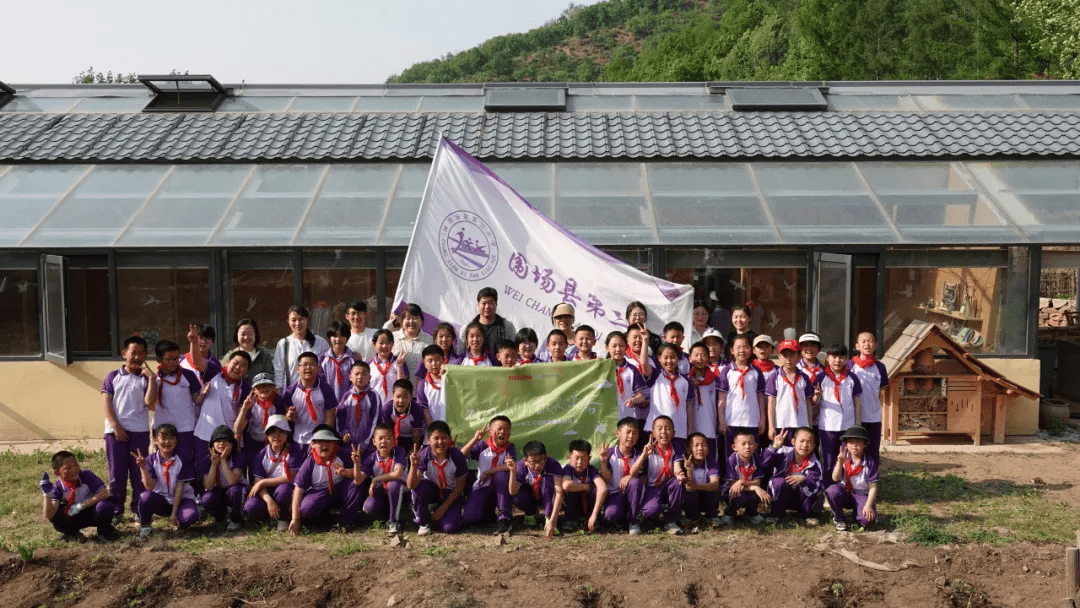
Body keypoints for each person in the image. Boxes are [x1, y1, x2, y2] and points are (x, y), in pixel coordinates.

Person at [102, 335, 158, 520]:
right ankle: (116, 510)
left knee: (138, 472)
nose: (137, 357)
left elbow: (150, 403)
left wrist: (152, 379)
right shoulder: (113, 376)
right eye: (134, 353)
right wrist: (116, 427)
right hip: (115, 432)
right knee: (117, 473)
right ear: (124, 353)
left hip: (139, 431)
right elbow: (106, 403)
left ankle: (138, 508)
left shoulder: (146, 378)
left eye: (142, 353)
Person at [288, 424, 363, 533]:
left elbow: (359, 476)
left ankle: (346, 521)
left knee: (354, 486)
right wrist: (295, 519)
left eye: (329, 441)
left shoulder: (342, 455)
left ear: (334, 443)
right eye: (320, 441)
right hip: (318, 492)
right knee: (307, 508)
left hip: (339, 489)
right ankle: (324, 519)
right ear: (313, 444)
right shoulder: (310, 462)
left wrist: (347, 472)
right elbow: (298, 489)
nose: (325, 445)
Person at [193, 351, 251, 481]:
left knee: (227, 476)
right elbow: (197, 361)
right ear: (228, 362)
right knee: (203, 474)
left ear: (247, 370)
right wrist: (194, 342)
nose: (238, 367)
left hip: (228, 439)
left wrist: (236, 439)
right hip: (205, 434)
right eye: (235, 363)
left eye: (243, 365)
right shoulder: (214, 372)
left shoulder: (246, 389)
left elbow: (242, 421)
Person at [135, 423, 200, 539]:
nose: (167, 442)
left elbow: (180, 487)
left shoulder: (184, 459)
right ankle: (145, 527)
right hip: (161, 500)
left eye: (171, 438)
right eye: (163, 438)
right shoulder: (150, 460)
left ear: (176, 440)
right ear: (155, 440)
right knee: (145, 497)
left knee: (190, 517)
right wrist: (143, 468)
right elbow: (150, 486)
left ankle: (180, 519)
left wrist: (174, 514)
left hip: (182, 499)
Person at [243, 415, 304, 532]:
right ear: (267, 435)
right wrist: (269, 500)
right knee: (250, 507)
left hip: (284, 489)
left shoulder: (294, 451)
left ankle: (283, 518)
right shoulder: (261, 454)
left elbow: (289, 477)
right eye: (272, 433)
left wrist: (263, 482)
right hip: (266, 490)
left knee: (284, 490)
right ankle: (268, 517)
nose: (277, 436)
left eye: (281, 432)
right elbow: (257, 481)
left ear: (287, 434)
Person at [40, 450, 117, 541]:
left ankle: (104, 531)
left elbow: (104, 493)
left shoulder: (86, 476)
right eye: (68, 468)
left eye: (76, 465)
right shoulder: (58, 487)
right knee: (57, 513)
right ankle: (72, 534)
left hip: (93, 512)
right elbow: (50, 514)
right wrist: (47, 494)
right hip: (74, 517)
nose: (74, 469)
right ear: (57, 473)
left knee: (105, 506)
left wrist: (81, 505)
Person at [813, 344, 863, 485]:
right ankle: (828, 488)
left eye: (841, 357)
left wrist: (858, 425)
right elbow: (814, 403)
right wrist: (817, 396)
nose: (837, 360)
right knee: (828, 459)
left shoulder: (852, 378)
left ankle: (847, 486)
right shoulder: (821, 377)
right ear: (827, 358)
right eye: (834, 357)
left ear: (846, 359)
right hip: (828, 426)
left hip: (848, 427)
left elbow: (857, 402)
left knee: (847, 457)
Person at [408, 420, 468, 535]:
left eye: (444, 438)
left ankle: (446, 512)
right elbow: (411, 485)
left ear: (449, 439)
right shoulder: (425, 455)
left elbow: (460, 486)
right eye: (436, 438)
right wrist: (413, 466)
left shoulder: (456, 456)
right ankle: (423, 522)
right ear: (428, 440)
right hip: (433, 490)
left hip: (451, 494)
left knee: (449, 528)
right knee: (420, 488)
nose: (440, 442)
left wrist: (443, 508)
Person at [461, 416, 517, 534]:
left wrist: (488, 471)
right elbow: (460, 456)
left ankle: (504, 519)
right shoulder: (482, 446)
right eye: (499, 428)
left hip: (500, 488)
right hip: (483, 486)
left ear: (509, 434)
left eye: (506, 430)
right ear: (490, 432)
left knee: (501, 475)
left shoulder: (510, 448)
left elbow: (510, 466)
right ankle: (488, 513)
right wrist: (475, 440)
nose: (502, 432)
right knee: (469, 518)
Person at [153, 338, 202, 471]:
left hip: (185, 427)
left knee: (185, 462)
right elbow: (150, 403)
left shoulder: (188, 375)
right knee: (163, 463)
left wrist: (203, 395)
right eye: (169, 359)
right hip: (162, 427)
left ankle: (187, 485)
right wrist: (151, 380)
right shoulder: (154, 378)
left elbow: (196, 399)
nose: (174, 362)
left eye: (176, 358)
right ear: (158, 359)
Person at [632, 416, 683, 535]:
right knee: (651, 511)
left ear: (674, 433)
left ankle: (671, 520)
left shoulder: (676, 447)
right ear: (653, 433)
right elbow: (633, 472)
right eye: (659, 429)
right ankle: (651, 514)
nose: (664, 432)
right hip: (652, 487)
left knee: (677, 482)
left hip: (668, 485)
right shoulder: (648, 449)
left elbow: (677, 466)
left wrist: (679, 474)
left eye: (667, 428)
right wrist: (644, 455)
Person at [717, 334, 767, 451]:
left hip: (752, 421)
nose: (742, 351)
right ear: (732, 350)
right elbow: (722, 398)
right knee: (732, 455)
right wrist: (722, 420)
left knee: (752, 453)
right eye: (738, 347)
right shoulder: (727, 371)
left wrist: (762, 419)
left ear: (751, 350)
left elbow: (760, 397)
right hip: (732, 421)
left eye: (745, 347)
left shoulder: (756, 371)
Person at [763, 428, 823, 525]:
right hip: (783, 494)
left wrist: (804, 479)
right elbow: (765, 462)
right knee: (778, 482)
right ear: (793, 441)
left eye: (809, 442)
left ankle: (807, 515)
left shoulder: (815, 464)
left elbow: (816, 485)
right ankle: (776, 514)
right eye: (801, 441)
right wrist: (775, 447)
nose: (805, 445)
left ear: (813, 446)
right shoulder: (784, 453)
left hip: (802, 498)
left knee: (809, 486)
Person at [281, 351, 337, 453]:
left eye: (312, 364)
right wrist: (290, 416)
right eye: (304, 365)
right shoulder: (291, 391)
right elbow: (287, 418)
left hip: (319, 441)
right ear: (297, 369)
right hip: (298, 440)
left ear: (318, 368)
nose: (308, 368)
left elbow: (330, 419)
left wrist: (321, 440)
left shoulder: (326, 389)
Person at [825, 425, 878, 531]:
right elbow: (835, 478)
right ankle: (839, 518)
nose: (854, 445)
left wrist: (868, 505)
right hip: (845, 492)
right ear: (846, 444)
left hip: (861, 494)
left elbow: (873, 487)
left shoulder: (869, 462)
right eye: (851, 442)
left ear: (864, 444)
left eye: (858, 442)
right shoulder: (844, 458)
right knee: (832, 491)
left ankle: (857, 514)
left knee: (866, 520)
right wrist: (840, 463)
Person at [234, 372, 289, 475]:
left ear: (273, 387)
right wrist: (244, 409)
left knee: (275, 470)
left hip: (275, 441)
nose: (264, 389)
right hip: (254, 440)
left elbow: (286, 423)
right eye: (259, 386)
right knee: (254, 469)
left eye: (267, 385)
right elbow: (237, 429)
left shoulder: (279, 401)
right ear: (254, 390)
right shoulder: (251, 403)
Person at [508, 440, 565, 539]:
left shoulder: (553, 465)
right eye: (533, 462)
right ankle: (531, 513)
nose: (537, 465)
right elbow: (512, 492)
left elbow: (559, 492)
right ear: (525, 461)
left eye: (541, 460)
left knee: (547, 480)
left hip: (547, 496)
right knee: (517, 496)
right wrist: (513, 471)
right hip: (531, 497)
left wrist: (552, 521)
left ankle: (548, 517)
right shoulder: (520, 467)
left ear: (546, 457)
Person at [359, 424, 409, 535]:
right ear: (374, 441)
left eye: (387, 438)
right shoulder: (371, 457)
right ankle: (387, 515)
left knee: (393, 485)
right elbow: (358, 480)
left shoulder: (399, 452)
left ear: (394, 440)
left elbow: (397, 474)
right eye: (380, 438)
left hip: (400, 489)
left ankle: (394, 522)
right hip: (381, 491)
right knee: (368, 507)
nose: (384, 442)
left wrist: (375, 479)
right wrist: (356, 464)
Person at [597, 417, 644, 529]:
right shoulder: (609, 453)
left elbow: (643, 477)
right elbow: (606, 480)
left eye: (635, 433)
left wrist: (630, 476)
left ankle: (634, 520)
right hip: (615, 493)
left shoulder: (640, 454)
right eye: (628, 432)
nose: (631, 436)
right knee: (611, 515)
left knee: (635, 482)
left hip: (634, 494)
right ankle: (622, 516)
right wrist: (603, 462)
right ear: (617, 433)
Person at [645, 343, 692, 454]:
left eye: (673, 357)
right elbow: (643, 364)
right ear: (659, 358)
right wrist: (646, 340)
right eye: (665, 358)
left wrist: (690, 430)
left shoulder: (685, 380)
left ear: (678, 358)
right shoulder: (655, 375)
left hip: (679, 429)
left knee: (677, 458)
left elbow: (689, 406)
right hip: (658, 431)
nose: (669, 361)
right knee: (656, 458)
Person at [198, 425, 247, 531]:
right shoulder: (206, 460)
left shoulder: (238, 457)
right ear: (212, 445)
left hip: (236, 492)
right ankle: (220, 517)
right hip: (219, 491)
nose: (221, 443)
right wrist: (214, 464)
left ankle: (236, 519)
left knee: (234, 490)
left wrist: (223, 460)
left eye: (225, 440)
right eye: (218, 441)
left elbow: (232, 481)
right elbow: (209, 486)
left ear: (232, 444)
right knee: (207, 498)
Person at [848, 332, 888, 459]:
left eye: (870, 341)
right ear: (857, 346)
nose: (867, 344)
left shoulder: (880, 367)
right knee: (854, 450)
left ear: (875, 345)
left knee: (873, 450)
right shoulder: (849, 366)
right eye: (863, 341)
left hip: (874, 417)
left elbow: (882, 390)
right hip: (853, 417)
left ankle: (872, 471)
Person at [767, 340, 815, 445]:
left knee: (800, 451)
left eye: (792, 355)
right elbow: (771, 403)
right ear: (779, 356)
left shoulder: (804, 377)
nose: (788, 359)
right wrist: (771, 426)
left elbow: (808, 403)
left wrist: (810, 425)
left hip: (801, 424)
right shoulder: (774, 377)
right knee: (782, 451)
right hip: (781, 424)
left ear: (799, 356)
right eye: (785, 356)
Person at [273, 306, 330, 393]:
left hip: (316, 394)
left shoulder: (320, 342)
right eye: (293, 320)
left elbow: (328, 368)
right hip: (291, 395)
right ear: (288, 322)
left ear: (307, 320)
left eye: (301, 319)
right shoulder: (283, 344)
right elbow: (278, 372)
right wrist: (278, 393)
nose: (297, 323)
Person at [719, 429, 770, 526]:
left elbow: (757, 482)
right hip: (731, 491)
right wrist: (752, 486)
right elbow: (733, 485)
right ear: (734, 447)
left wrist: (743, 483)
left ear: (755, 446)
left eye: (750, 444)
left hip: (747, 489)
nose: (747, 447)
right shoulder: (732, 460)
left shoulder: (757, 459)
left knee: (754, 495)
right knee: (738, 495)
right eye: (743, 444)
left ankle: (751, 513)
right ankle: (730, 513)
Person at [561, 439, 607, 533]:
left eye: (583, 458)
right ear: (569, 457)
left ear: (589, 459)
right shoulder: (568, 469)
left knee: (596, 491)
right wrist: (586, 487)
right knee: (572, 489)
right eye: (576, 458)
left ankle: (594, 519)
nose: (579, 462)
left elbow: (603, 488)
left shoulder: (591, 470)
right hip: (574, 504)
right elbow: (566, 485)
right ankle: (571, 520)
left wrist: (594, 514)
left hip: (590, 506)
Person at [675, 432, 721, 527]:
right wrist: (689, 471)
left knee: (712, 491)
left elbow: (715, 484)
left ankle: (711, 516)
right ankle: (692, 517)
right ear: (688, 449)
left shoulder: (711, 462)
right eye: (696, 445)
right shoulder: (683, 463)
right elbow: (688, 487)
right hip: (690, 499)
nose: (700, 449)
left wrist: (696, 486)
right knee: (690, 493)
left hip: (705, 497)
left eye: (704, 445)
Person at [336, 361, 381, 452]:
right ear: (350, 377)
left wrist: (364, 444)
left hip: (368, 447)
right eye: (356, 374)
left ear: (369, 378)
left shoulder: (373, 396)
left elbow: (375, 421)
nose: (360, 377)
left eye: (363, 374)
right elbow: (339, 417)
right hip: (348, 445)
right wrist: (344, 433)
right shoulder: (347, 396)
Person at [606, 331, 648, 428]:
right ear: (607, 348)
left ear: (626, 347)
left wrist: (634, 400)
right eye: (614, 346)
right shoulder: (602, 369)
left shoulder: (632, 369)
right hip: (607, 419)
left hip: (627, 418)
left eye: (621, 346)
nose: (618, 349)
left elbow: (641, 396)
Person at [461, 287, 517, 358]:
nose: (487, 307)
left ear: (496, 304)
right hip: (474, 364)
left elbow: (513, 353)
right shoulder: (467, 329)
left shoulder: (507, 327)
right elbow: (460, 355)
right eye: (483, 303)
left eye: (490, 303)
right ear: (478, 305)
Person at [687, 342, 720, 458]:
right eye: (696, 355)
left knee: (710, 455)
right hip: (691, 424)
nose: (700, 359)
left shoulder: (715, 380)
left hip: (709, 423)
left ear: (708, 358)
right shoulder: (685, 380)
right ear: (690, 358)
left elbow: (719, 402)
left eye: (703, 355)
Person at [383, 302, 433, 375]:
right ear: (402, 321)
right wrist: (391, 323)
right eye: (408, 318)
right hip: (395, 381)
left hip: (421, 382)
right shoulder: (392, 337)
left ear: (422, 322)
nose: (411, 321)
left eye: (415, 318)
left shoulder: (430, 340)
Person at [379, 379, 426, 452]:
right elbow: (387, 432)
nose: (401, 401)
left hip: (411, 437)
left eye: (405, 397)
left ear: (411, 397)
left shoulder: (417, 409)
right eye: (398, 397)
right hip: (395, 437)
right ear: (392, 396)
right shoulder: (387, 409)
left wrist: (413, 450)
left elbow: (417, 434)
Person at [225, 318, 274, 383]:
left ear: (255, 335)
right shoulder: (230, 356)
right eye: (243, 334)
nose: (246, 337)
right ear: (237, 335)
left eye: (250, 334)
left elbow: (270, 378)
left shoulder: (264, 356)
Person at [319, 320, 355, 403]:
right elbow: (321, 382)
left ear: (347, 337)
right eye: (335, 336)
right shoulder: (322, 359)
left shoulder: (353, 359)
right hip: (327, 403)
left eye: (342, 336)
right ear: (329, 338)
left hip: (349, 402)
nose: (338, 339)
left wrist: (347, 400)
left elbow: (355, 383)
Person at [370, 329, 408, 404]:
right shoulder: (369, 364)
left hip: (395, 405)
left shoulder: (399, 361)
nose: (384, 346)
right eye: (381, 343)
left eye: (388, 343)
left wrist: (399, 367)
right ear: (374, 344)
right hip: (374, 405)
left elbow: (403, 386)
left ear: (392, 344)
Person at [416, 345, 447, 424]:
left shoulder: (451, 380)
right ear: (424, 363)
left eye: (437, 360)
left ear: (443, 360)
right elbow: (425, 412)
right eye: (430, 361)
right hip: (434, 427)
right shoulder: (422, 386)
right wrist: (432, 429)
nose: (434, 364)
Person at [344, 300, 377, 364]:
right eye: (353, 313)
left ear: (365, 314)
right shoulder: (344, 339)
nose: (356, 317)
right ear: (347, 316)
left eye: (359, 313)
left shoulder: (375, 334)